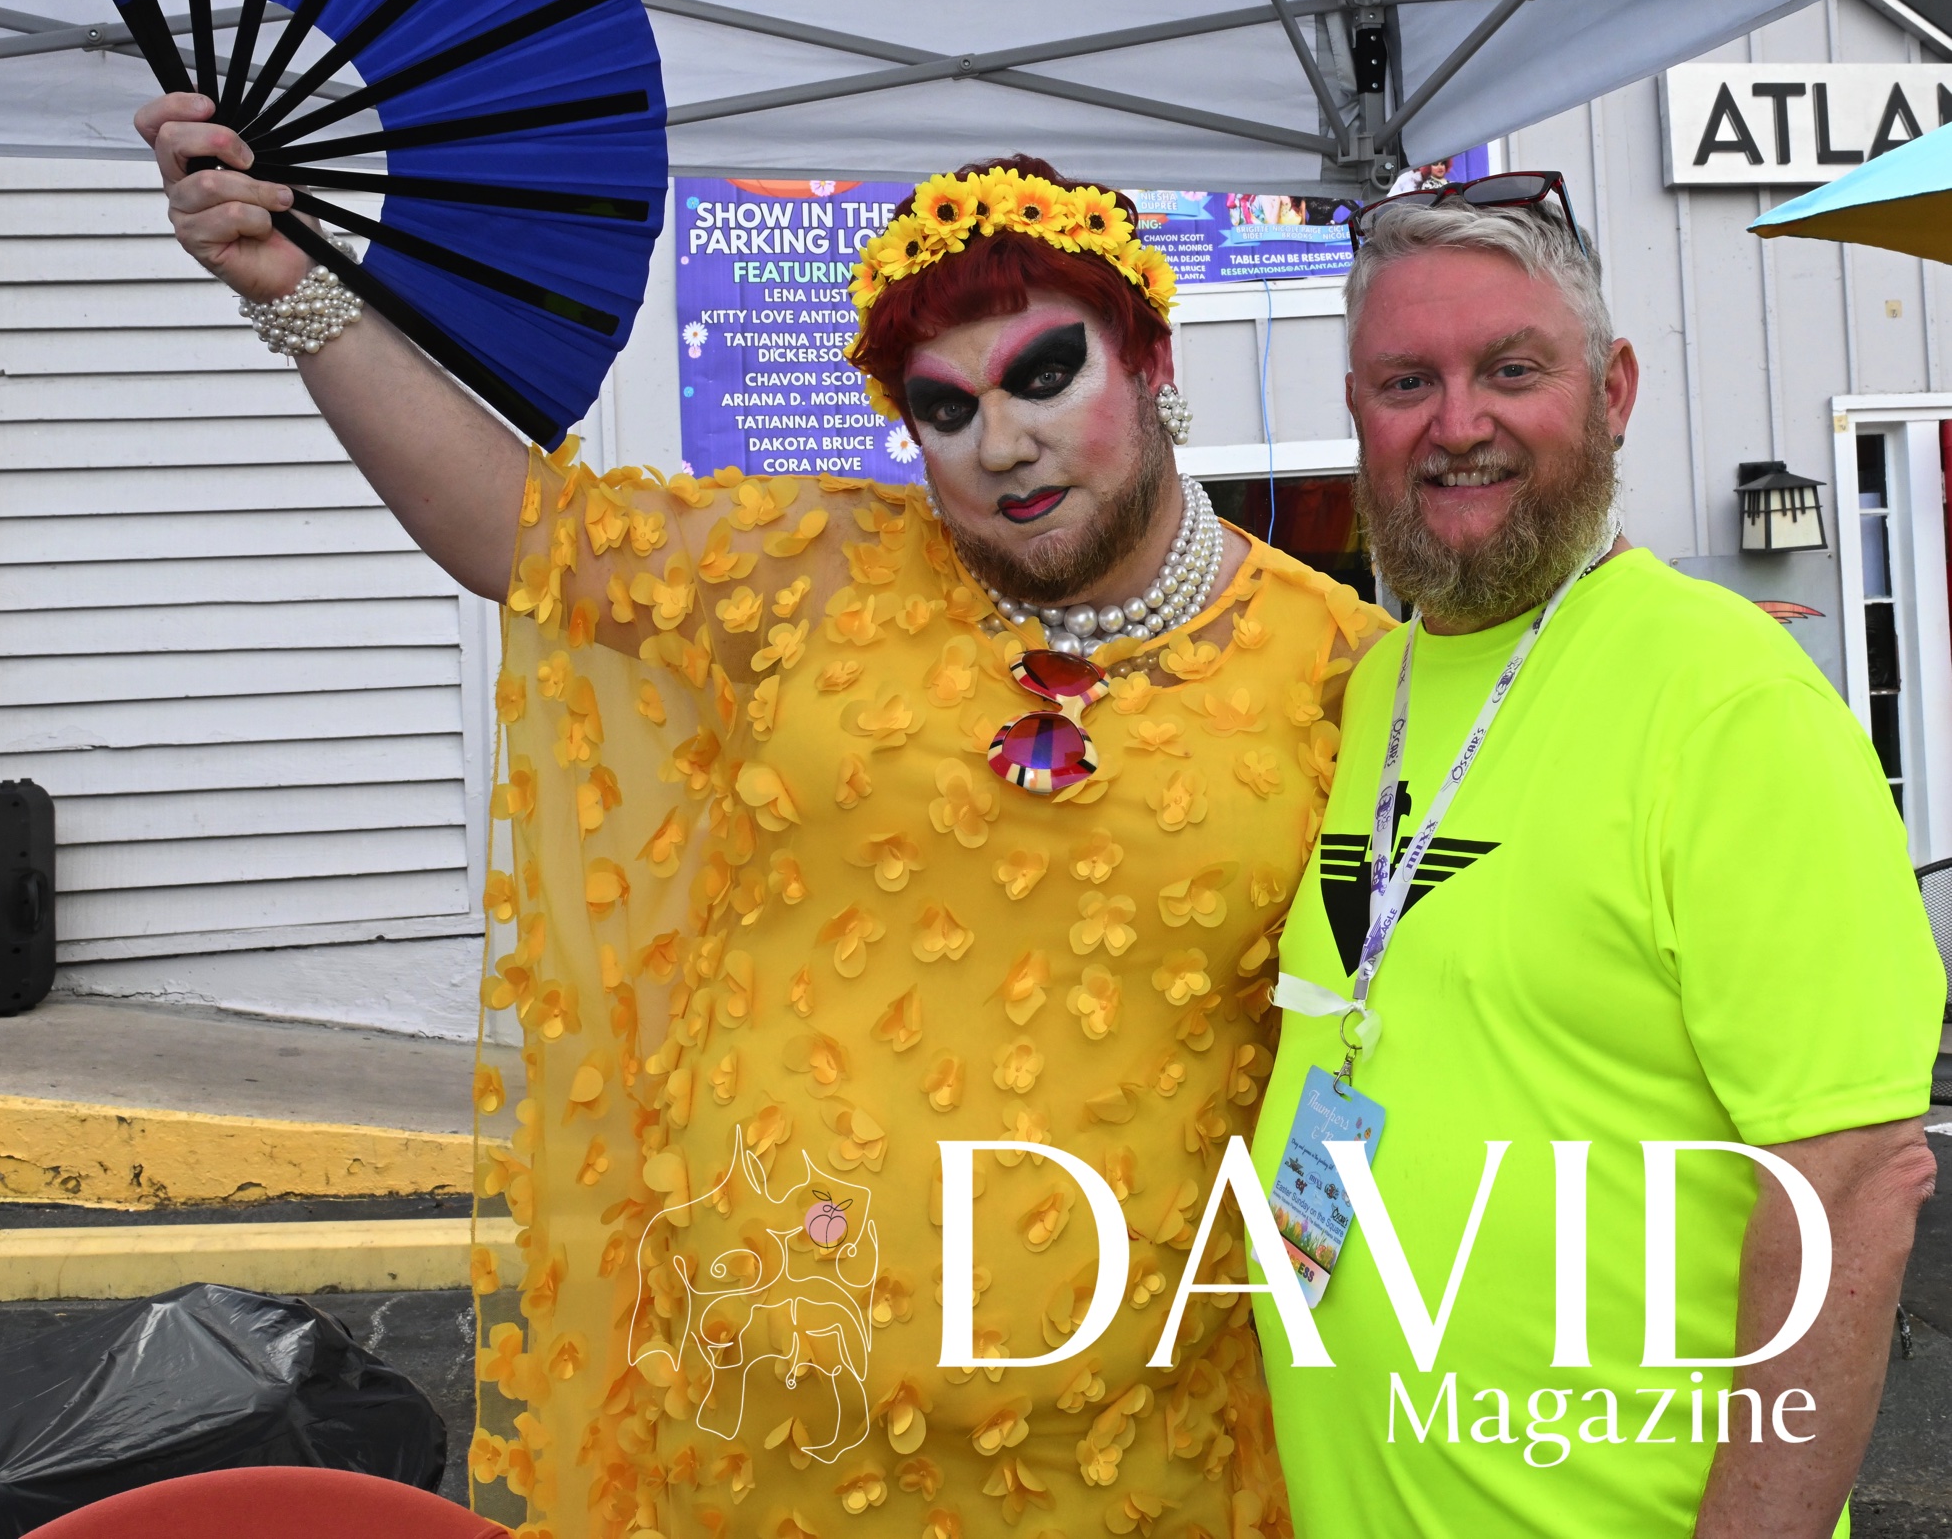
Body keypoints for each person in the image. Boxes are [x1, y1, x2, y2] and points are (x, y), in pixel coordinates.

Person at [136, 94, 1389, 1537]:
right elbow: (525, 535)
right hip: (764, 1438)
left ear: (1153, 362)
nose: (1002, 442)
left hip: (1132, 1461)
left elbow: (1388, 1043)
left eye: (1045, 375)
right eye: (945, 407)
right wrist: (296, 292)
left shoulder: (1343, 671)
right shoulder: (818, 570)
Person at [1246, 182, 1943, 1537]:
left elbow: (1853, 1179)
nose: (1457, 423)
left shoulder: (1727, 698)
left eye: (1512, 371)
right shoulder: (1376, 685)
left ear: (1612, 390)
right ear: (1357, 411)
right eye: (1407, 381)